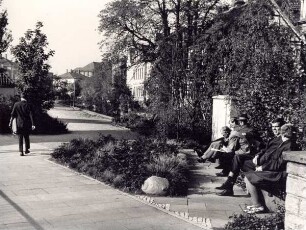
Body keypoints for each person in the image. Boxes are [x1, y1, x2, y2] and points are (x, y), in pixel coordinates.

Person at [215, 118, 287, 196]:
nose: (274, 129)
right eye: (273, 127)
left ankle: (229, 185)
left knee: (236, 158)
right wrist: (258, 155)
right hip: (259, 160)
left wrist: (262, 167)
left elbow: (276, 160)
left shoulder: (283, 141)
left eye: (277, 127)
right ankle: (229, 185)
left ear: (283, 127)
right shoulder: (274, 139)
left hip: (265, 166)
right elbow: (264, 150)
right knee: (238, 158)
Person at [243, 124, 296, 214]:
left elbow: (279, 164)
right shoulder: (284, 143)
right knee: (250, 172)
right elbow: (273, 159)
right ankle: (257, 203)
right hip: (275, 171)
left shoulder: (289, 146)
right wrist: (260, 165)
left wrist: (262, 168)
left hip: (280, 174)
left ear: (283, 133)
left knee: (248, 177)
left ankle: (258, 206)